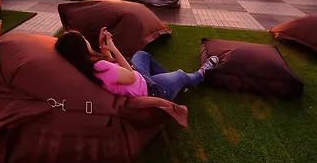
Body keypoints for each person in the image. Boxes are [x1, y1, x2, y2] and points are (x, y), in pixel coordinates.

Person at [55, 29, 219, 102]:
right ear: (80, 47)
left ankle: (172, 83)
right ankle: (202, 72)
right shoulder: (100, 67)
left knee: (142, 55)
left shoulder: (88, 67)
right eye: (83, 38)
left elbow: (113, 72)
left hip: (141, 81)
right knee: (181, 75)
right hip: (151, 90)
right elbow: (130, 76)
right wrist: (113, 48)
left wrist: (103, 46)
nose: (86, 39)